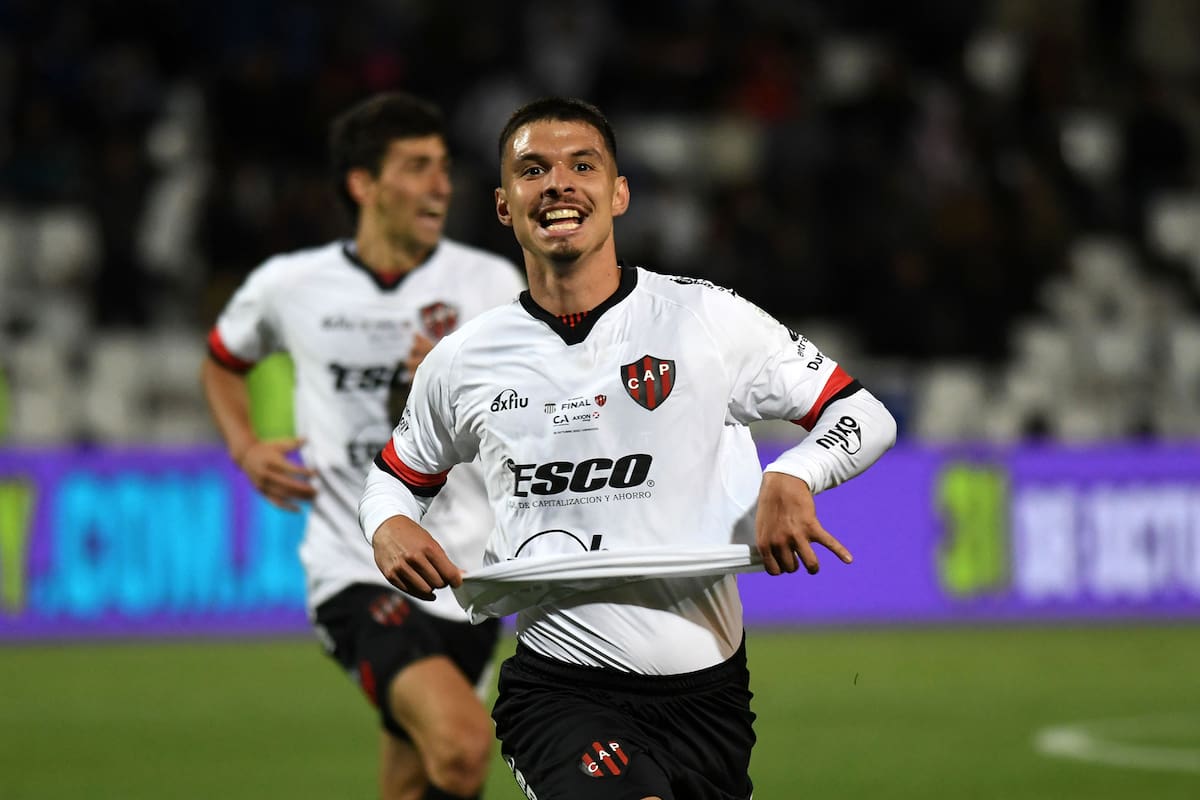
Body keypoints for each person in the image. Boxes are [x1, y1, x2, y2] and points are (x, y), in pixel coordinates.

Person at [359, 96, 897, 800]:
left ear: (618, 194)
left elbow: (863, 414)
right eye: (533, 170)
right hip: (560, 690)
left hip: (712, 701)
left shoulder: (704, 318)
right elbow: (394, 480)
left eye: (582, 165)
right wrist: (389, 524)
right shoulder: (465, 361)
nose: (557, 183)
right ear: (503, 204)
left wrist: (793, 476)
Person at [202, 91, 526, 800]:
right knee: (465, 744)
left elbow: (529, 413)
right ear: (363, 185)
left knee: (418, 780)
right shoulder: (291, 285)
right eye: (416, 167)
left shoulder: (490, 283)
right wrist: (245, 447)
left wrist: (451, 382)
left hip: (466, 573)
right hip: (357, 568)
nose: (441, 184)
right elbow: (223, 359)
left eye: (443, 167)